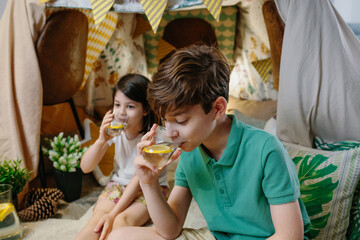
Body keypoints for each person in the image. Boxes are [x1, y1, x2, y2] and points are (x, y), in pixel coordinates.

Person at [107, 44, 311, 240]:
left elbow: (290, 236)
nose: (169, 133)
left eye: (180, 121)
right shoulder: (189, 152)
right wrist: (149, 183)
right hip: (216, 237)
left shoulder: (266, 149)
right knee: (119, 236)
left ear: (218, 108)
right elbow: (170, 230)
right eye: (164, 121)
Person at [75, 74, 167, 240]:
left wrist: (114, 213)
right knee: (98, 220)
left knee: (120, 221)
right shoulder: (116, 131)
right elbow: (85, 167)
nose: (121, 112)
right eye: (117, 105)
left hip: (149, 187)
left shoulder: (154, 137)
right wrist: (101, 140)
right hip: (118, 184)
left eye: (130, 107)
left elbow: (137, 180)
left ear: (146, 109)